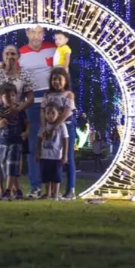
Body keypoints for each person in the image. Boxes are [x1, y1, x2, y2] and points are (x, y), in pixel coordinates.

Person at [0, 45, 34, 198]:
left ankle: (14, 188)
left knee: (16, 153)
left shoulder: (24, 75)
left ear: (18, 56)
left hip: (17, 116)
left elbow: (30, 98)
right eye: (7, 53)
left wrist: (18, 109)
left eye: (13, 54)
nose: (10, 56)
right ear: (3, 56)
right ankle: (0, 189)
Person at [18, 25, 56, 198]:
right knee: (34, 146)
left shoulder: (52, 49)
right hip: (32, 101)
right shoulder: (21, 54)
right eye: (33, 32)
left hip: (51, 101)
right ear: (27, 33)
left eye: (40, 33)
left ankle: (51, 188)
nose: (36, 36)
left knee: (53, 146)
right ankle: (35, 186)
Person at [41, 68, 77, 199]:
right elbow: (42, 111)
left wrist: (54, 127)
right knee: (50, 158)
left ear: (65, 80)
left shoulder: (69, 95)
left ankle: (70, 189)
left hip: (66, 128)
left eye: (59, 79)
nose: (56, 82)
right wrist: (45, 127)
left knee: (67, 157)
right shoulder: (47, 95)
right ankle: (50, 191)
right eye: (54, 79)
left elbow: (67, 112)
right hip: (49, 129)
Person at [0, 83, 29, 201]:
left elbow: (27, 123)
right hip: (2, 142)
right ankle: (17, 191)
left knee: (12, 164)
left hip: (16, 141)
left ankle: (7, 191)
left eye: (13, 95)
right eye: (7, 96)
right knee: (6, 167)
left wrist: (26, 132)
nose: (10, 98)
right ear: (1, 97)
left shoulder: (19, 110)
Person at [35, 102, 68, 200]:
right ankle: (47, 193)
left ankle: (56, 194)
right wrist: (37, 153)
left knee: (56, 177)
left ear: (58, 113)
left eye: (53, 113)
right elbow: (39, 140)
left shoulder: (62, 126)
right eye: (48, 113)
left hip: (56, 156)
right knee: (46, 176)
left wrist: (65, 155)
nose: (50, 116)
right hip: (45, 156)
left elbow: (65, 140)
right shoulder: (44, 127)